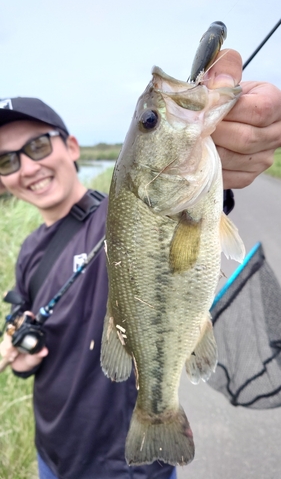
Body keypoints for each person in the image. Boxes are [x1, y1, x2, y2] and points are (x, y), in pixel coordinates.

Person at [0, 48, 280, 479]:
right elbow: (29, 316)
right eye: (6, 160)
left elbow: (186, 213)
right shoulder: (29, 249)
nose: (27, 167)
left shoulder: (115, 217)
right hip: (52, 454)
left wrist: (223, 145)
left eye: (38, 145)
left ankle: (157, 411)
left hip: (122, 465)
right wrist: (21, 353)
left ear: (71, 146)